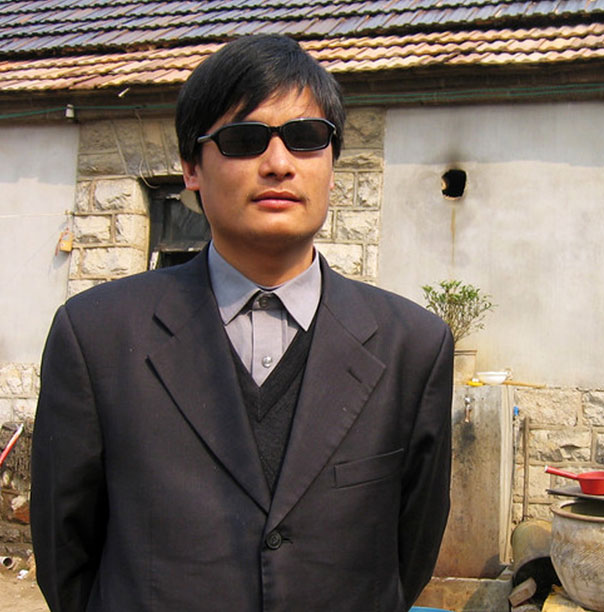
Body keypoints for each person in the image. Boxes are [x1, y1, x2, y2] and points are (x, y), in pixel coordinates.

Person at [30, 34, 453, 612]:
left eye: (306, 139)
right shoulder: (98, 337)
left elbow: (410, 552)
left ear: (332, 165)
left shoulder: (414, 348)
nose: (278, 164)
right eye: (244, 139)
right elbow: (66, 556)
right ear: (192, 169)